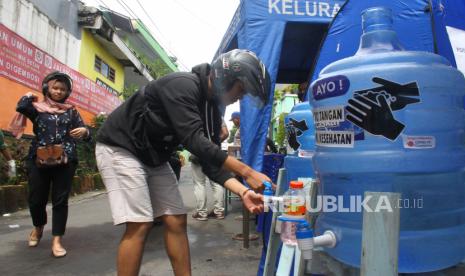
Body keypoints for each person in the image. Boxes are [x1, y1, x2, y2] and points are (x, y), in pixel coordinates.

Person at [95, 49, 272, 276]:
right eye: (241, 89)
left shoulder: (212, 108)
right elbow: (193, 140)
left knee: (177, 220)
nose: (241, 96)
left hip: (154, 155)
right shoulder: (182, 85)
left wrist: (243, 192)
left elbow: (209, 159)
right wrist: (246, 171)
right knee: (140, 223)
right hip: (121, 147)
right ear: (225, 78)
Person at [11, 71, 90, 258]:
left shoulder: (71, 111)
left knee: (60, 201)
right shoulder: (37, 108)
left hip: (65, 160)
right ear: (47, 88)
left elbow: (87, 134)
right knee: (36, 199)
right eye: (55, 87)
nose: (59, 91)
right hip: (38, 158)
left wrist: (85, 132)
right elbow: (21, 107)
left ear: (67, 92)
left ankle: (57, 240)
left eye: (63, 89)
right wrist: (29, 95)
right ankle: (38, 227)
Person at [191, 120, 228, 221]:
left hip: (197, 152)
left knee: (199, 184)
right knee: (216, 183)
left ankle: (202, 213)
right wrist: (213, 145)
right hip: (214, 153)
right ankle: (219, 212)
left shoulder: (194, 114)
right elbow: (225, 133)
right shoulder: (216, 113)